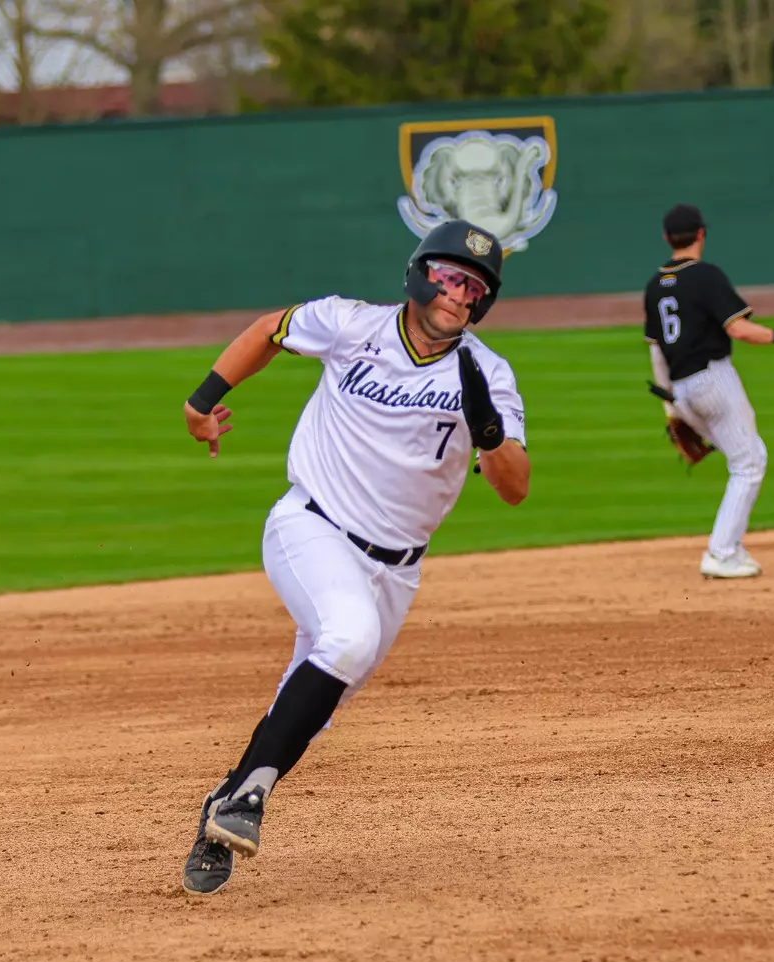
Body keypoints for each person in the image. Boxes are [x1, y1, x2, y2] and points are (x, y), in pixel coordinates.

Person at [178, 220, 530, 895]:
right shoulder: (350, 324)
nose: (462, 294)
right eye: (453, 276)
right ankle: (249, 799)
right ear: (421, 273)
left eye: (477, 287)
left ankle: (225, 803)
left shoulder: (488, 374)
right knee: (347, 639)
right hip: (312, 526)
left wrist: (488, 430)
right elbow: (268, 331)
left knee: (317, 695)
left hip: (395, 570)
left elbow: (514, 488)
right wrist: (202, 403)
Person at [643, 204, 774, 579]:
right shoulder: (706, 276)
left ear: (667, 238)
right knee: (747, 464)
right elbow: (740, 329)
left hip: (680, 390)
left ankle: (729, 546)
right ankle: (722, 552)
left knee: (750, 456)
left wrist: (671, 407)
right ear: (701, 234)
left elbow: (656, 350)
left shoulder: (654, 285)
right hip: (713, 381)